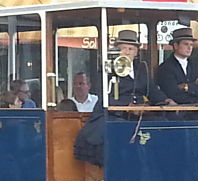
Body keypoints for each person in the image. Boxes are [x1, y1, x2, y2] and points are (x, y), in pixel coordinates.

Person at [74, 29, 174, 170]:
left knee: (161, 123)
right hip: (114, 113)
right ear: (117, 50)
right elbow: (104, 96)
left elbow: (151, 90)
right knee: (120, 129)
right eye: (124, 48)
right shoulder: (108, 68)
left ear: (136, 52)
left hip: (138, 114)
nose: (127, 52)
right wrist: (126, 106)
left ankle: (157, 167)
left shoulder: (141, 68)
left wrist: (166, 100)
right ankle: (119, 169)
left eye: (131, 49)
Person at [156, 27, 198, 111]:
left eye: (191, 45)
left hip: (195, 110)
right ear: (176, 46)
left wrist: (186, 87)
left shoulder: (195, 66)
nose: (189, 48)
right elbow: (172, 93)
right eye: (186, 44)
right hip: (175, 112)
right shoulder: (166, 67)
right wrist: (194, 89)